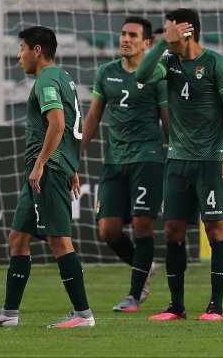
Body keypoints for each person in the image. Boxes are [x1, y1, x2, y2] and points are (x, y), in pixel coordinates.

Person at [0, 26, 94, 328]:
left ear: (37, 50)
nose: (18, 56)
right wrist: (72, 165)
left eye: (22, 49)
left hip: (48, 170)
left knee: (59, 240)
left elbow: (57, 124)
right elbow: (69, 128)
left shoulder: (47, 80)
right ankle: (9, 313)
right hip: (51, 168)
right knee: (18, 238)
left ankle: (83, 315)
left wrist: (43, 164)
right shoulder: (63, 78)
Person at [136, 8, 223, 321]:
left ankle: (216, 307)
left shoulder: (216, 63)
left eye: (169, 30)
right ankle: (176, 306)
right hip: (178, 159)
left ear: (187, 31)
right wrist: (158, 45)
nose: (165, 36)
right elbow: (141, 76)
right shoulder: (167, 62)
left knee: (215, 229)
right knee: (172, 231)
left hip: (211, 160)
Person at [81, 16, 167, 312]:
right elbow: (93, 117)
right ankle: (146, 267)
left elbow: (167, 121)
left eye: (133, 35)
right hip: (114, 160)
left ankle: (134, 295)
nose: (125, 39)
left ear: (147, 43)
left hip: (147, 158)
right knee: (108, 230)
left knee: (143, 224)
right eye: (122, 34)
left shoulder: (157, 75)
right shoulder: (106, 73)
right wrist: (76, 150)